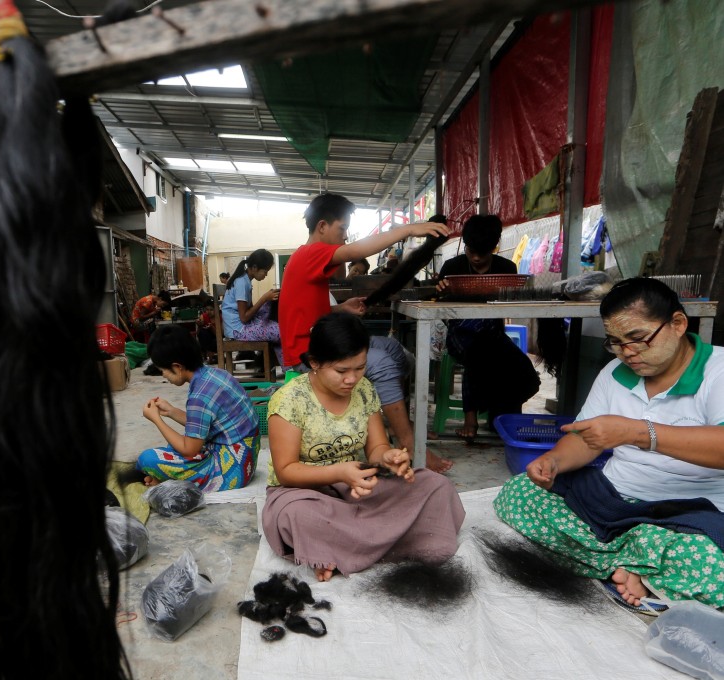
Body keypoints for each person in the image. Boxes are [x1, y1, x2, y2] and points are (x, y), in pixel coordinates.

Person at [494, 277, 724, 612]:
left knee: (712, 566)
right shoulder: (615, 372)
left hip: (694, 512)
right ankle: (638, 566)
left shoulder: (718, 370)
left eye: (638, 339)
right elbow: (585, 439)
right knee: (517, 496)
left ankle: (628, 559)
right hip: (616, 500)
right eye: (615, 343)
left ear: (677, 323)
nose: (628, 353)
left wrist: (637, 432)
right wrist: (554, 461)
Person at [262, 312, 466, 582]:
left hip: (356, 485)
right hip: (301, 492)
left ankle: (339, 549)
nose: (352, 379)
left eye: (359, 368)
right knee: (298, 516)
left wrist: (389, 457)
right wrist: (340, 473)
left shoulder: (365, 390)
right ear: (315, 363)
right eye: (341, 371)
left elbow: (376, 448)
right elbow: (286, 471)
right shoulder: (289, 400)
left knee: (435, 486)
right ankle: (371, 541)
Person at [278, 192, 453, 473]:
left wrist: (342, 309)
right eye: (342, 229)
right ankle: (408, 441)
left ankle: (393, 422)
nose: (345, 237)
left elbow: (310, 315)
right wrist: (408, 229)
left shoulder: (309, 262)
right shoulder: (309, 254)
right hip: (307, 355)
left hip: (322, 341)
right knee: (382, 363)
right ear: (322, 226)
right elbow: (356, 252)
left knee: (394, 350)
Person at [436, 214, 540, 442]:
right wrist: (441, 290)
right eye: (470, 250)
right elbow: (439, 309)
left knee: (527, 376)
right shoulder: (452, 267)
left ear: (494, 247)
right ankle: (473, 418)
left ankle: (498, 414)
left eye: (481, 253)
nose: (474, 257)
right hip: (459, 335)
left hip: (494, 337)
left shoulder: (507, 268)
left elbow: (512, 306)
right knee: (478, 349)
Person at [135, 324, 260, 491]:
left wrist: (156, 419)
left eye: (163, 370)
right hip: (246, 455)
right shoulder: (214, 374)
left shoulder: (199, 395)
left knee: (147, 459)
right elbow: (202, 424)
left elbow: (189, 450)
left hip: (233, 469)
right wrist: (171, 411)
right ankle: (167, 478)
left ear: (177, 367)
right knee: (172, 446)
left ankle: (167, 479)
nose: (163, 375)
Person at [221, 248, 282, 365]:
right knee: (280, 332)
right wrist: (264, 298)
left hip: (241, 326)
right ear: (254, 268)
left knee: (273, 305)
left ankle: (272, 364)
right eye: (265, 271)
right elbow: (244, 317)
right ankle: (285, 368)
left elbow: (250, 311)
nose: (266, 274)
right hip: (238, 330)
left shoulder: (245, 280)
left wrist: (269, 300)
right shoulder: (241, 283)